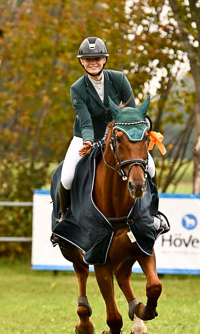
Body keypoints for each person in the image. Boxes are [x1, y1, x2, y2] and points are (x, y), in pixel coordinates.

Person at [59, 36, 156, 217]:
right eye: (88, 59)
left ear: (104, 59)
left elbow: (132, 113)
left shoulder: (119, 79)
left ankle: (154, 213)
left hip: (119, 136)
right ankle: (64, 218)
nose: (93, 63)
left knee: (150, 168)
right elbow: (85, 120)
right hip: (86, 136)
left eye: (97, 58)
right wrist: (87, 141)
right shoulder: (77, 89)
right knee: (67, 177)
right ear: (82, 61)